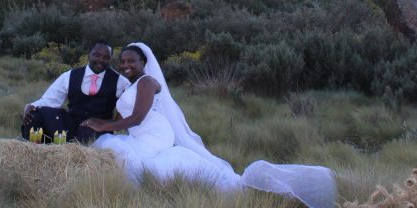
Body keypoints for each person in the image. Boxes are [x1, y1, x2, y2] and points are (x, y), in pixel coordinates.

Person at [81, 42, 337, 208]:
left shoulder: (147, 82)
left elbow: (137, 118)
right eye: (122, 62)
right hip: (141, 133)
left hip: (153, 134)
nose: (125, 65)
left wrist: (102, 127)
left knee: (138, 162)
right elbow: (124, 117)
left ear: (143, 63)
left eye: (131, 61)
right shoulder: (132, 83)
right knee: (118, 149)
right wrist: (102, 122)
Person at [22, 40, 131, 143]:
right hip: (70, 123)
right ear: (89, 54)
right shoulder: (70, 76)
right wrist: (31, 107)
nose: (101, 60)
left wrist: (106, 124)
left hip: (97, 129)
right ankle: (35, 149)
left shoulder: (121, 82)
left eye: (106, 57)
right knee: (35, 115)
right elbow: (50, 100)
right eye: (97, 55)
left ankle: (66, 150)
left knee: (85, 134)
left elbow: (128, 110)